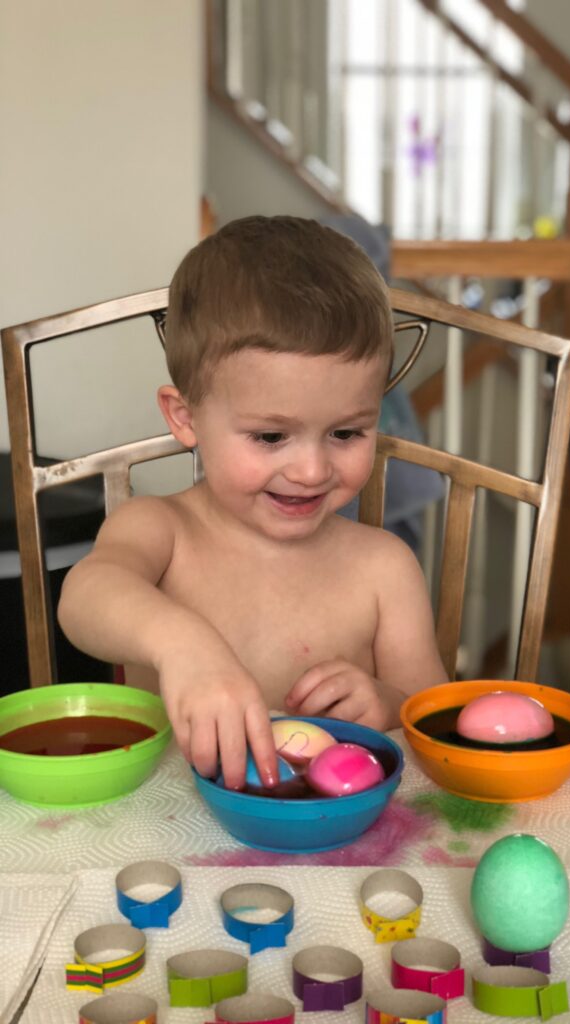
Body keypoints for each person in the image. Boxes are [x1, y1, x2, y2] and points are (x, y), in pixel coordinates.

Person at [58, 216, 447, 791]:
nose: (312, 470)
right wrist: (182, 644)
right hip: (174, 826)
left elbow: (431, 716)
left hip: (335, 841)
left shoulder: (385, 566)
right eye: (270, 437)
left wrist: (386, 704)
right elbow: (84, 599)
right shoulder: (160, 530)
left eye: (346, 433)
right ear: (185, 418)